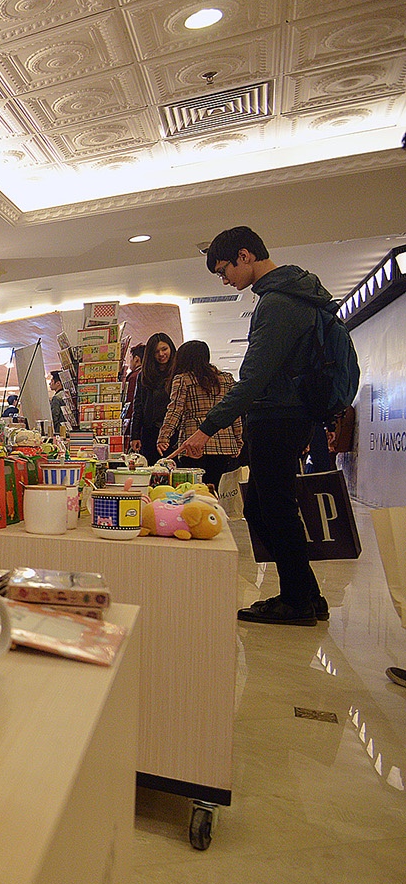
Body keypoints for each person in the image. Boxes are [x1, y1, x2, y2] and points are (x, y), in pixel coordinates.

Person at [177, 226, 332, 625]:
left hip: (278, 416)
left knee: (272, 509)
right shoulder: (290, 294)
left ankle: (297, 601)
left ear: (244, 256)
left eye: (223, 269)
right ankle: (307, 594)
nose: (224, 279)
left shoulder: (278, 302)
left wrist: (206, 428)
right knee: (267, 507)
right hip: (287, 414)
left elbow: (255, 379)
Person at [157, 340, 240, 487]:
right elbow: (234, 412)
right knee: (214, 488)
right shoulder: (226, 379)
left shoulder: (183, 379)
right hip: (224, 441)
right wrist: (238, 440)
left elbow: (175, 410)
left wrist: (164, 436)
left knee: (193, 488)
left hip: (193, 441)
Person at [127, 332, 176, 466]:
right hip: (150, 432)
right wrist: (135, 435)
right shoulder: (144, 375)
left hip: (174, 433)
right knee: (151, 469)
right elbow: (138, 406)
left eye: (164, 349)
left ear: (171, 348)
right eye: (156, 351)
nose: (161, 354)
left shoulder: (178, 373)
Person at [122, 343, 144, 438]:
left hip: (134, 427)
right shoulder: (147, 375)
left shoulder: (134, 377)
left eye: (130, 358)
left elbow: (131, 403)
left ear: (136, 359)